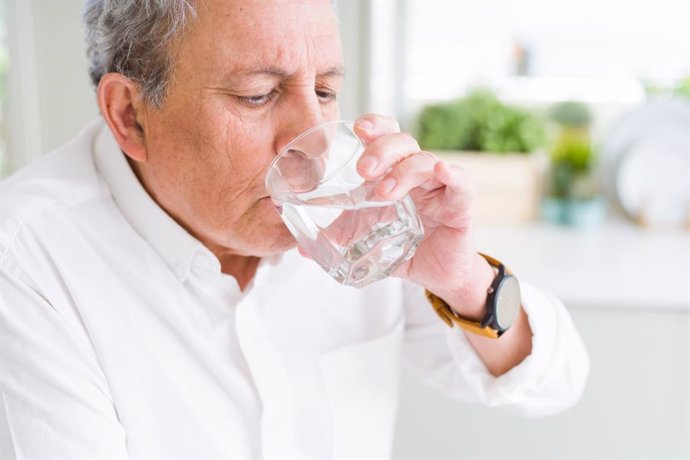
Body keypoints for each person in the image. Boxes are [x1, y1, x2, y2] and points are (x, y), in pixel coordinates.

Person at [0, 0, 589, 458]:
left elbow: (555, 386)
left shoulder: (358, 212)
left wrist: (465, 283)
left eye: (326, 91)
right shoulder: (25, 265)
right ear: (131, 115)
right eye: (257, 96)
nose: (313, 143)